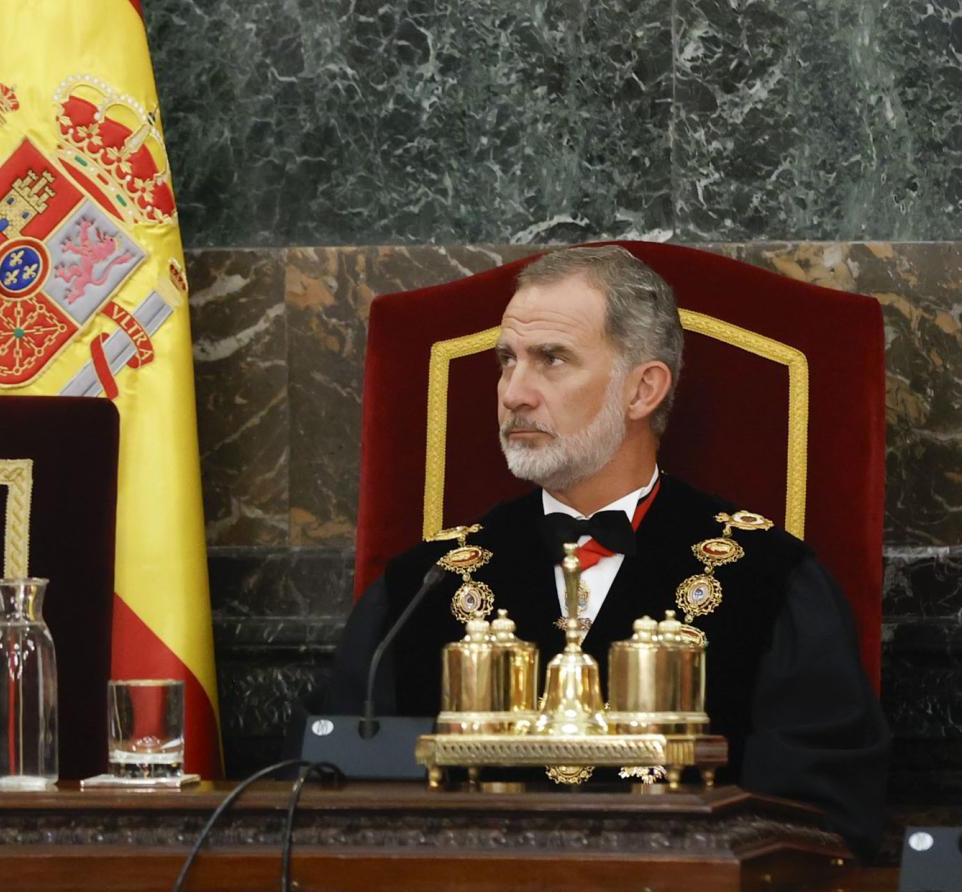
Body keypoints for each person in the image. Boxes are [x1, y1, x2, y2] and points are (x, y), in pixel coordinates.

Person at [311, 246, 889, 856]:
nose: (514, 393)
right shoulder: (421, 586)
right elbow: (338, 804)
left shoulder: (769, 580)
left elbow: (820, 822)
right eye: (507, 362)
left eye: (551, 360)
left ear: (643, 390)